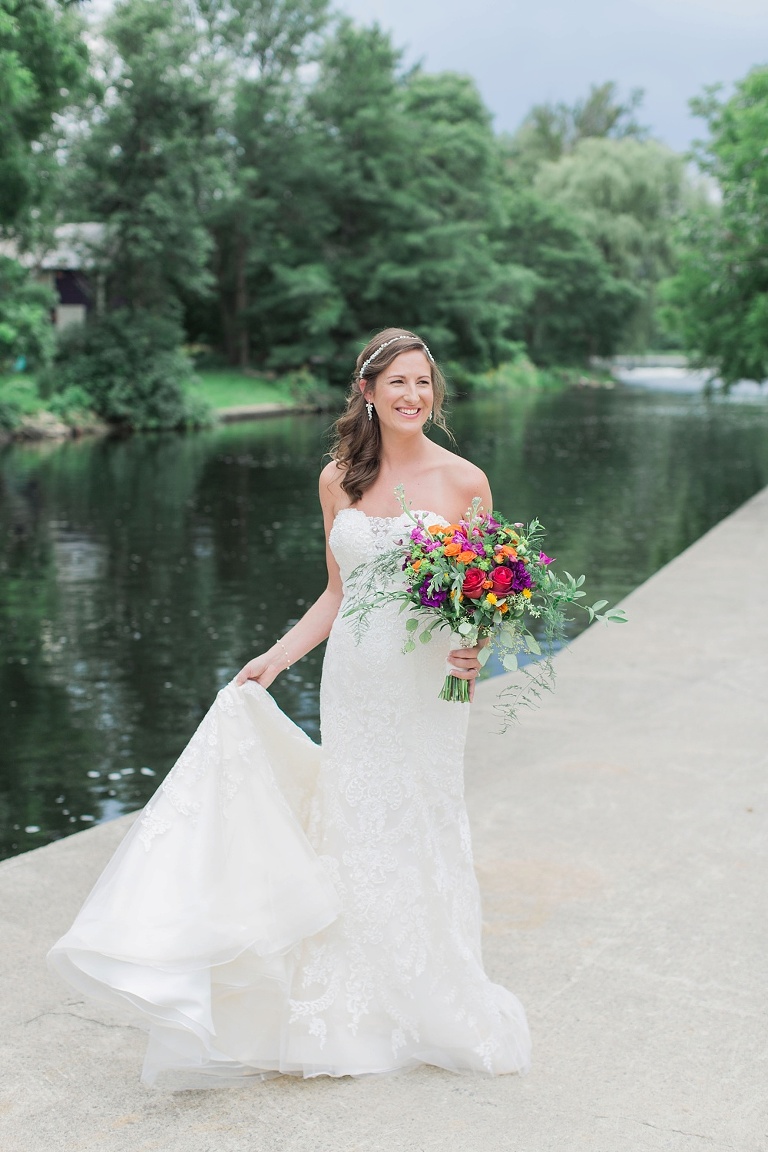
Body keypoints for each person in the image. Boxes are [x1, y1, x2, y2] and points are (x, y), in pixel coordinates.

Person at [49, 327, 531, 1087]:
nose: (412, 395)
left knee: (424, 817)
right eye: (396, 382)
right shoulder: (338, 478)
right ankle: (349, 1002)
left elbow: (487, 593)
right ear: (366, 392)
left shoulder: (466, 481)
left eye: (423, 382)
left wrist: (477, 645)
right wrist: (276, 658)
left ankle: (436, 990)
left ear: (434, 394)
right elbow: (340, 593)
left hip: (429, 685)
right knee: (353, 820)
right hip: (359, 679)